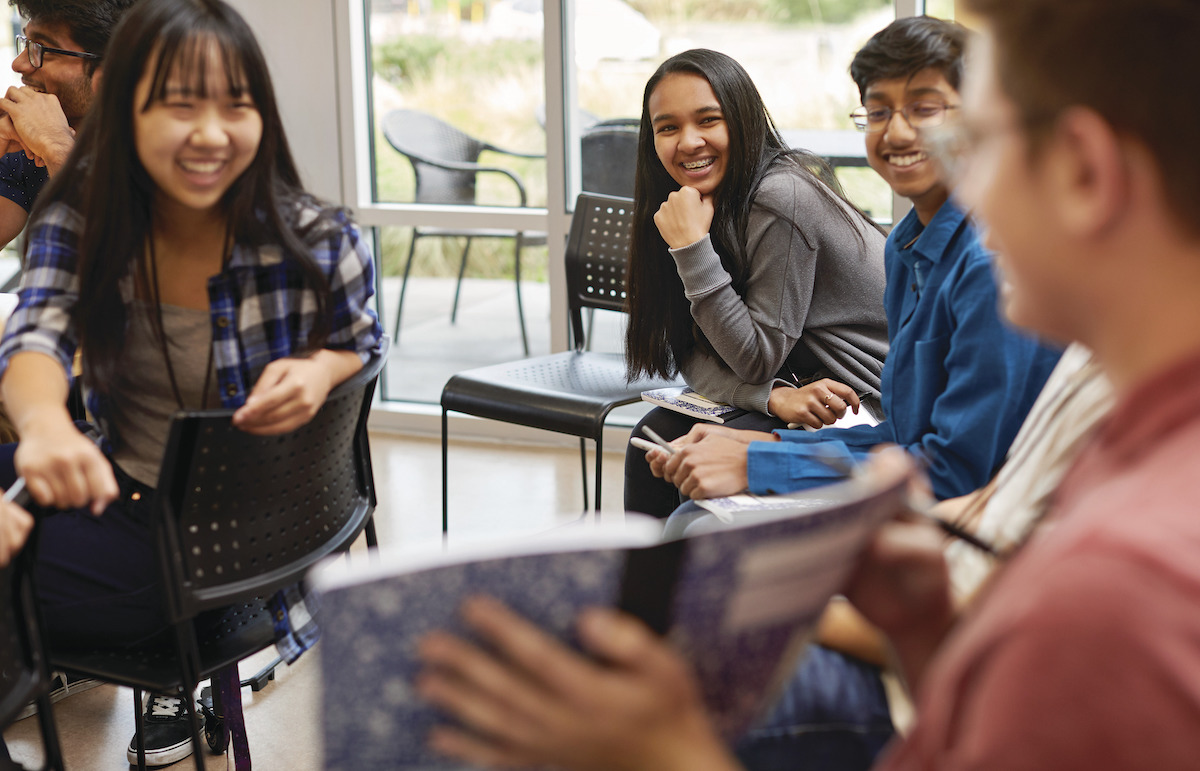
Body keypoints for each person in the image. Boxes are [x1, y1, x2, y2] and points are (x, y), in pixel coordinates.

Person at [412, 0, 1200, 769]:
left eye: (985, 140)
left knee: (564, 695)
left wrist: (666, 750)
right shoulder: (927, 260)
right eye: (878, 112)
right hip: (900, 517)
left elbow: (934, 463)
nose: (960, 175)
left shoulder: (1123, 581)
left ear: (1085, 172)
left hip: (870, 454)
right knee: (650, 536)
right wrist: (918, 626)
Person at [0, 0, 384, 765]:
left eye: (233, 102)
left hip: (207, 554)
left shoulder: (318, 241)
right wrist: (43, 425)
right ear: (127, 111)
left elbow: (357, 344)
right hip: (149, 505)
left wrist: (320, 368)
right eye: (177, 105)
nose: (209, 132)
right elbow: (36, 333)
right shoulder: (82, 225)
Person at [645, 19, 1060, 511]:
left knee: (699, 524)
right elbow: (904, 437)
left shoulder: (992, 263)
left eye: (925, 109)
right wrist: (764, 445)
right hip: (870, 437)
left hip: (983, 513)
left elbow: (957, 468)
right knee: (671, 462)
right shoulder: (907, 250)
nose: (898, 131)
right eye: (879, 112)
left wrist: (760, 460)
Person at [623, 48, 889, 518]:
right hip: (797, 386)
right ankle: (644, 592)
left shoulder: (780, 196)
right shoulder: (683, 205)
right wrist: (772, 397)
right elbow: (689, 351)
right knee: (650, 443)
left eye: (708, 120)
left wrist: (692, 250)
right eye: (668, 127)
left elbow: (754, 355)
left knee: (692, 465)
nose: (688, 142)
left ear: (743, 123)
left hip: (864, 409)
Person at [0, 0, 137, 248]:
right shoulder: (26, 148)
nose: (19, 64)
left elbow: (132, 260)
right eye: (27, 44)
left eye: (42, 49)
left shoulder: (166, 147)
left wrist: (58, 150)